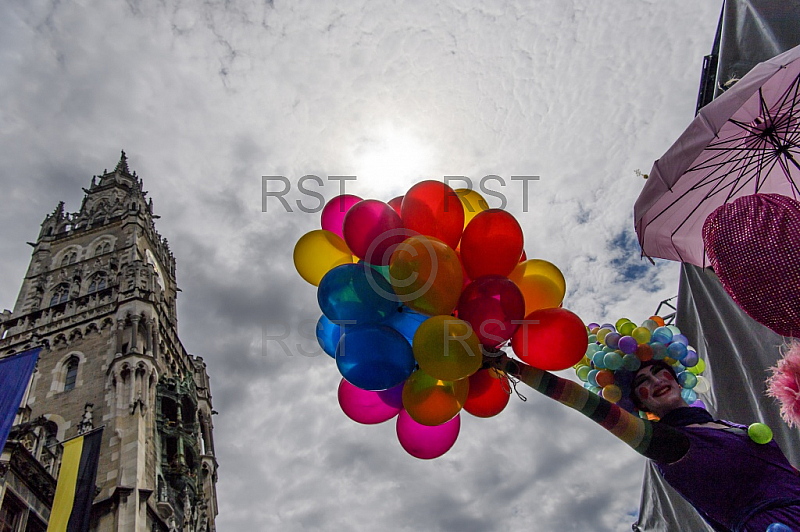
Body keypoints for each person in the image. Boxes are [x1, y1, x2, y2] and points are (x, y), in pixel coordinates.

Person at [495, 355, 800, 532]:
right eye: (643, 384)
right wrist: (509, 365)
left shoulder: (728, 426)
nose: (655, 382)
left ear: (678, 379)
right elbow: (586, 402)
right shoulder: (669, 444)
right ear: (640, 405)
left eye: (659, 372)